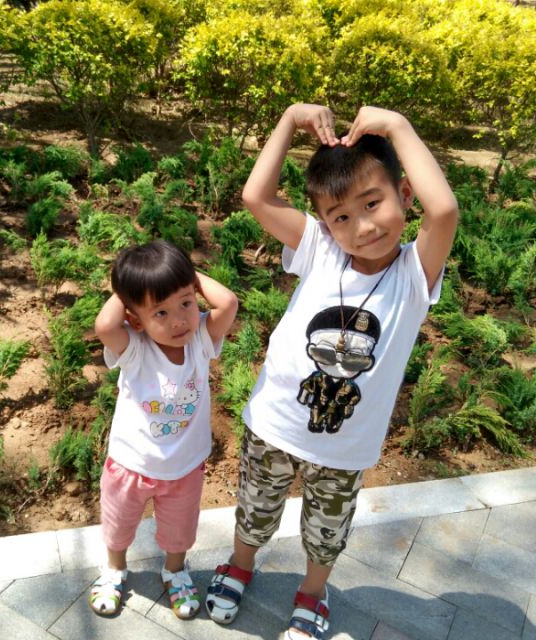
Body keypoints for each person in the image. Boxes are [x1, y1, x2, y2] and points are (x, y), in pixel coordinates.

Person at [205, 104, 458, 639]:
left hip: (345, 448)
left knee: (327, 531)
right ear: (324, 224)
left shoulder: (414, 274)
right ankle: (240, 566)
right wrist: (289, 120)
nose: (362, 226)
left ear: (404, 194)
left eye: (373, 203)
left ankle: (312, 593)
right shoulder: (319, 249)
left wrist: (397, 126)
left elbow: (445, 211)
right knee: (255, 508)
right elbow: (256, 197)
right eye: (341, 216)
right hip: (274, 424)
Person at [90, 239, 238, 620]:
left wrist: (186, 278)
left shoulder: (201, 339)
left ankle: (175, 571)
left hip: (184, 467)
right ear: (136, 320)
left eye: (186, 304)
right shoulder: (134, 348)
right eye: (161, 312)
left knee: (180, 530)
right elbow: (104, 325)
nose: (179, 321)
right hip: (130, 464)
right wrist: (127, 289)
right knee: (118, 524)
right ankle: (115, 569)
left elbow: (228, 303)